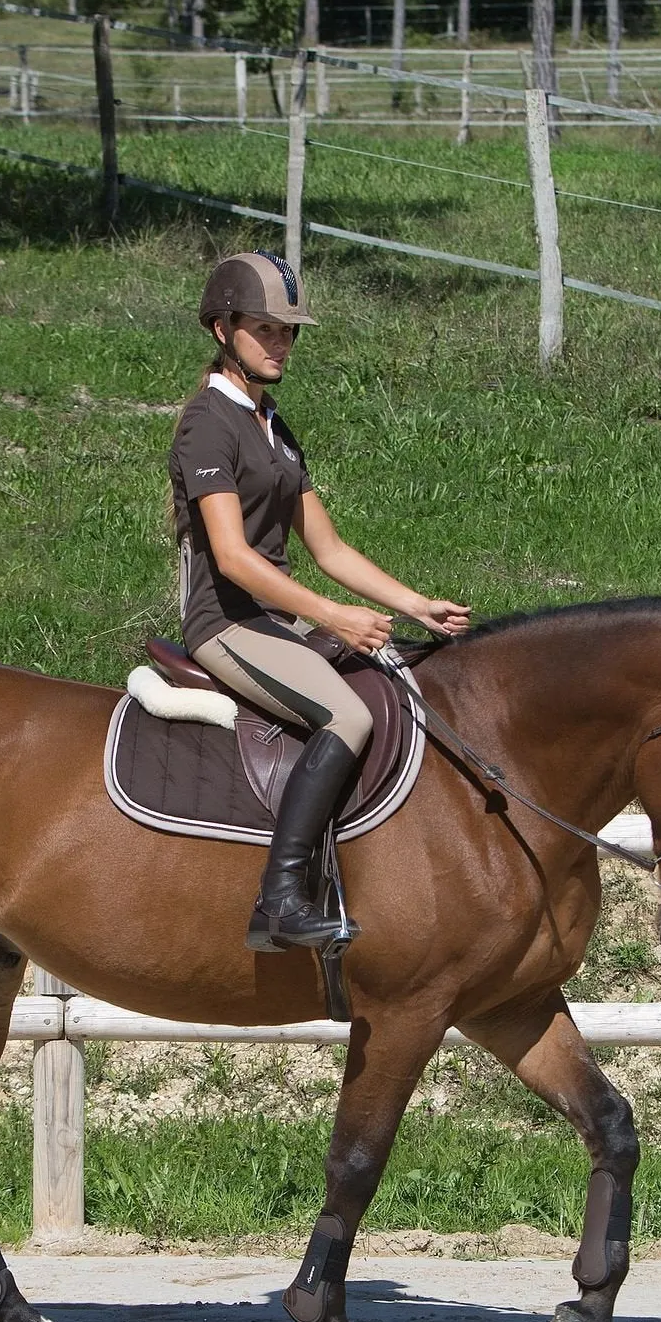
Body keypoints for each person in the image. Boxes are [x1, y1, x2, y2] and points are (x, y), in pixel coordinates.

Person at [169, 252, 470, 952]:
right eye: (265, 329)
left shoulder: (272, 424)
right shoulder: (207, 423)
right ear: (222, 329)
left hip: (272, 618)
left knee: (396, 676)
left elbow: (329, 550)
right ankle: (278, 901)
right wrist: (335, 617)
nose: (280, 344)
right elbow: (233, 557)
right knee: (345, 712)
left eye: (289, 332)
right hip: (226, 621)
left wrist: (416, 603)